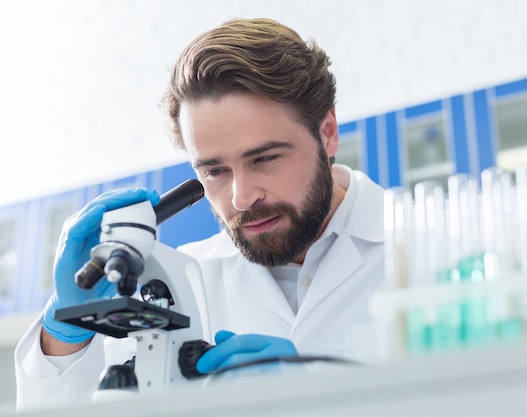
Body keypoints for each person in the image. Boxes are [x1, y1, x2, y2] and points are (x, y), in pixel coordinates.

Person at [14, 17, 385, 409]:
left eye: (265, 158)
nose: (241, 198)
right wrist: (67, 330)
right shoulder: (181, 283)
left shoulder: (433, 249)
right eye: (214, 171)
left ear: (327, 133)